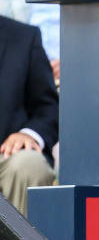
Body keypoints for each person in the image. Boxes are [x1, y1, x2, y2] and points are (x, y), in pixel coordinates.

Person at [0, 15, 59, 215]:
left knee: (29, 165)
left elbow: (48, 107)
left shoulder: (24, 37)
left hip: (6, 156)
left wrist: (29, 134)